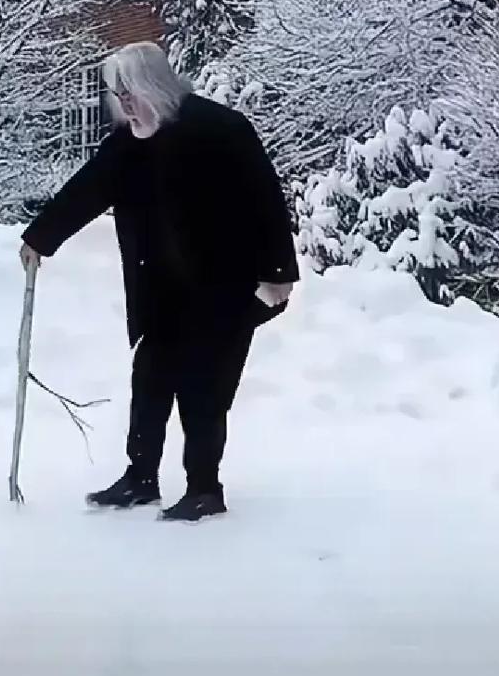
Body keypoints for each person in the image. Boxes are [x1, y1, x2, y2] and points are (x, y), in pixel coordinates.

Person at [20, 42, 299, 523]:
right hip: (163, 290)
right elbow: (85, 192)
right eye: (117, 94)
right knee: (149, 381)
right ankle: (141, 477)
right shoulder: (128, 145)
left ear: (156, 85)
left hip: (223, 288)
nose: (124, 103)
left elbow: (265, 199)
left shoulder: (219, 129)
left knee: (204, 389)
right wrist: (40, 239)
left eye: (130, 92)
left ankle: (204, 488)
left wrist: (277, 275)